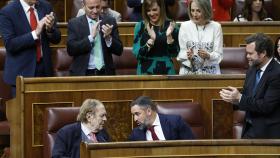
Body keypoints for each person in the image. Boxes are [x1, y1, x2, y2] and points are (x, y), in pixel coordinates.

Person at [220, 33, 280, 139]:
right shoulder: (252, 70)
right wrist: (234, 99)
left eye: (250, 53)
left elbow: (266, 106)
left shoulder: (277, 73)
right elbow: (247, 96)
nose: (247, 57)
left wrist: (240, 98)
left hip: (268, 135)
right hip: (249, 129)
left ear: (263, 53)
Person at [0, 0, 61, 97]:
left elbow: (57, 39)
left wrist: (50, 30)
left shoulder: (45, 6)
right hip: (21, 73)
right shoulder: (8, 11)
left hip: (44, 70)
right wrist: (35, 33)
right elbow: (10, 44)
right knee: (23, 111)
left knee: (44, 109)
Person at [67, 0, 123, 76]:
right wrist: (90, 38)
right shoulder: (74, 23)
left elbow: (119, 50)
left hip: (106, 73)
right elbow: (71, 49)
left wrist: (108, 38)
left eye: (98, 7)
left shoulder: (110, 21)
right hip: (83, 74)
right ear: (83, 5)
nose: (95, 11)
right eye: (91, 8)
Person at [132, 0, 179, 75]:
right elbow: (138, 55)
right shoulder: (140, 26)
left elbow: (175, 53)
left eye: (154, 10)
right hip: (145, 72)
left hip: (166, 71)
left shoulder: (171, 26)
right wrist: (149, 43)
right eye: (148, 10)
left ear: (161, 8)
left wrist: (169, 38)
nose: (151, 13)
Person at [177, 0, 223, 75]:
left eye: (198, 11)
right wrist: (189, 56)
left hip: (210, 74)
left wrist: (208, 55)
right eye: (192, 10)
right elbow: (181, 53)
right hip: (188, 73)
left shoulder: (216, 27)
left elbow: (219, 55)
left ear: (206, 10)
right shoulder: (184, 26)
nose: (194, 14)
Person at [128, 96, 194, 141]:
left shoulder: (175, 122)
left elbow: (192, 146)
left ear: (149, 111)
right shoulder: (135, 134)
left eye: (137, 114)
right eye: (133, 115)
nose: (135, 119)